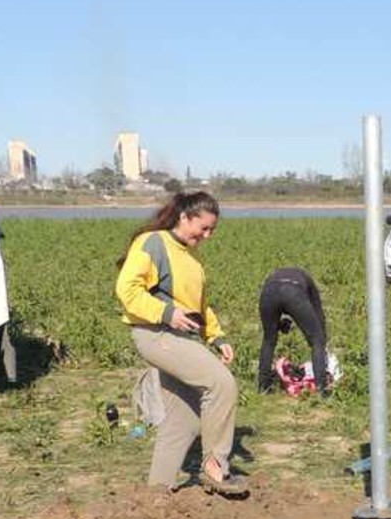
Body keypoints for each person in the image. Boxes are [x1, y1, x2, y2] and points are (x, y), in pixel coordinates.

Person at [115, 190, 248, 496]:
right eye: (203, 228)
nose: (207, 235)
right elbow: (127, 288)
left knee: (184, 419)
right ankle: (215, 467)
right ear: (184, 217)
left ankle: (157, 494)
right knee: (221, 384)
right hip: (157, 335)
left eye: (212, 230)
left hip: (180, 338)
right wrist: (166, 312)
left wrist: (216, 336)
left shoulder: (192, 258)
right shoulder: (154, 243)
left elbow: (199, 307)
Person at [256, 266, 330, 395]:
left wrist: (279, 325)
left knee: (269, 339)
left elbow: (277, 301)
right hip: (293, 292)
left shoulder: (273, 276)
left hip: (268, 292)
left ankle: (263, 386)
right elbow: (317, 312)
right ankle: (321, 389)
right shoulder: (307, 281)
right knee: (317, 340)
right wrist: (322, 339)